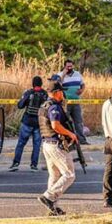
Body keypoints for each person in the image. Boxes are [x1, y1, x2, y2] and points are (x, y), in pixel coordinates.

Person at [37, 80, 80, 215]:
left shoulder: (44, 105)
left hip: (47, 144)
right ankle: (49, 197)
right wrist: (70, 134)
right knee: (69, 174)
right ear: (56, 93)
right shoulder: (54, 107)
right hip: (56, 144)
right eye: (61, 92)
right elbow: (55, 126)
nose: (63, 94)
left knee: (54, 175)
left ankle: (53, 208)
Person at [9, 76, 47, 172]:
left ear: (33, 84)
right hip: (38, 124)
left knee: (21, 143)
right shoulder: (44, 94)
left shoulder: (28, 93)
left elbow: (20, 105)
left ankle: (15, 164)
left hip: (27, 122)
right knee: (37, 145)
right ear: (41, 84)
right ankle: (34, 165)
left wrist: (26, 98)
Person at [57, 59, 88, 145]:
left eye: (71, 66)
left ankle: (82, 140)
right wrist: (63, 74)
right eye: (68, 66)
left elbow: (83, 84)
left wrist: (81, 90)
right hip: (65, 103)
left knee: (78, 122)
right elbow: (57, 85)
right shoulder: (60, 75)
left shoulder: (77, 74)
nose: (69, 68)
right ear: (64, 66)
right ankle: (66, 140)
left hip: (76, 101)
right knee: (64, 122)